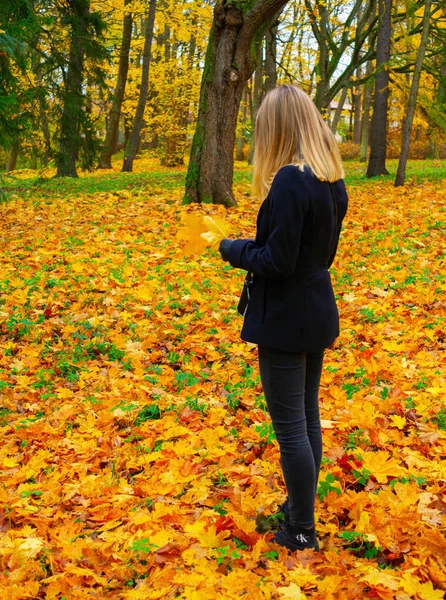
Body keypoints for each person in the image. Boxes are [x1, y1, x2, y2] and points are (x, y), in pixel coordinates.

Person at [218, 84, 348, 552]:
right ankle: (299, 513)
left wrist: (231, 249)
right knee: (306, 417)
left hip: (287, 318)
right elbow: (321, 255)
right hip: (315, 310)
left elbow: (277, 261)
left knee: (291, 427)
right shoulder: (331, 178)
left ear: (279, 127)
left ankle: (301, 531)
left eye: (263, 126)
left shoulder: (292, 180)